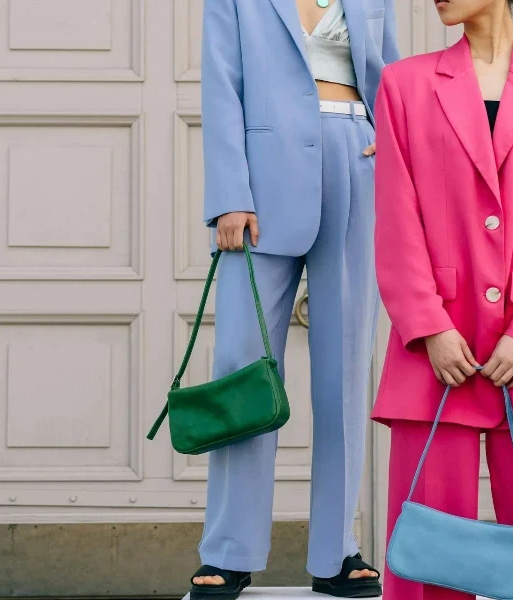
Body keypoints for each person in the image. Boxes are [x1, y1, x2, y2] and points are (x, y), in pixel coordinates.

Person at [371, 0, 513, 598]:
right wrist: (427, 324)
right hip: (436, 354)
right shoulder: (404, 84)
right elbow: (397, 217)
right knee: (430, 551)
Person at [191, 0, 400, 598]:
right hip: (261, 181)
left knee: (343, 368)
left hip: (355, 166)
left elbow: (389, 73)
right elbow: (221, 81)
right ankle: (229, 550)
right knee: (243, 366)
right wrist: (229, 192)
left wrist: (391, 142)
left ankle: (337, 551)